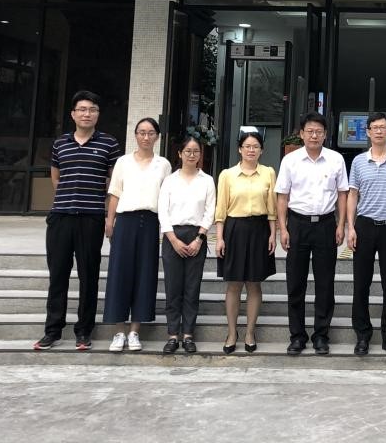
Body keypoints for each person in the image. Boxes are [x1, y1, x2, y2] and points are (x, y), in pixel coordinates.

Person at [34, 90, 122, 351]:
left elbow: (114, 183)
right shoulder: (60, 143)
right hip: (61, 217)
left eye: (92, 109)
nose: (87, 114)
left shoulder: (109, 144)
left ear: (98, 114)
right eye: (82, 109)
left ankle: (84, 331)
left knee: (89, 275)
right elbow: (56, 178)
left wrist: (108, 217)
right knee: (58, 275)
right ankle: (52, 331)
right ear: (73, 114)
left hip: (91, 218)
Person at [276, 111, 349, 356]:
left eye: (318, 131)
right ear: (301, 134)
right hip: (297, 224)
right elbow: (282, 196)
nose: (314, 135)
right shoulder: (290, 160)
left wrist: (341, 225)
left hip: (326, 225)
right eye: (310, 131)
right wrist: (283, 228)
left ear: (325, 134)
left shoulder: (336, 159)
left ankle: (321, 336)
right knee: (295, 283)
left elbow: (342, 194)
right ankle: (297, 336)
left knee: (325, 283)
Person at [346, 110, 386, 356]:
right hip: (364, 225)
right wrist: (350, 227)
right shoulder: (358, 161)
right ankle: (362, 335)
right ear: (368, 131)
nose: (379, 131)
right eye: (374, 127)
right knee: (361, 283)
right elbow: (353, 195)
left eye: (383, 127)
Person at [103, 116, 172, 352]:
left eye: (151, 133)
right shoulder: (123, 162)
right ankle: (118, 332)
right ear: (135, 135)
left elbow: (166, 198)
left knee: (145, 275)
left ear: (157, 137)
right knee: (119, 274)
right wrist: (110, 221)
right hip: (125, 221)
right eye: (141, 132)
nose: (146, 137)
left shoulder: (163, 164)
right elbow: (115, 193)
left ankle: (134, 332)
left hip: (150, 222)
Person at [214, 131, 276, 354]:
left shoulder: (268, 173)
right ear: (239, 149)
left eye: (255, 146)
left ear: (261, 150)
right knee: (234, 283)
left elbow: (272, 208)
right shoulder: (227, 175)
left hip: (260, 230)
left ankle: (250, 332)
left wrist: (273, 234)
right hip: (234, 229)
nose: (251, 150)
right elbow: (221, 209)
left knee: (254, 283)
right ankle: (232, 332)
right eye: (247, 146)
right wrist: (219, 237)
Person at [158, 135, 216, 355]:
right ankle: (173, 335)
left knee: (192, 288)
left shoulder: (207, 180)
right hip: (172, 235)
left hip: (196, 236)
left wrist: (199, 239)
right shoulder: (170, 180)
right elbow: (163, 211)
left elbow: (210, 211)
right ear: (179, 154)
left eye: (196, 151)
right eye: (188, 151)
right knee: (173, 287)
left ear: (200, 154)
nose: (192, 155)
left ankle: (189, 334)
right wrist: (173, 239)